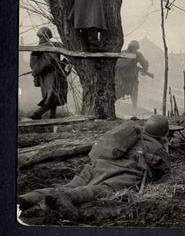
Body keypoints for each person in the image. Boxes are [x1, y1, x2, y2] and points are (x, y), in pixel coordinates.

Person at [17, 115, 171, 219]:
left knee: (70, 185)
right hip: (121, 173)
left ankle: (28, 198)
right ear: (163, 132)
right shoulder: (155, 146)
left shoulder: (129, 134)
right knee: (98, 190)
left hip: (96, 165)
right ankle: (68, 198)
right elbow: (164, 171)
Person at [28, 27, 70, 120]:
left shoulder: (53, 45)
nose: (41, 39)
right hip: (49, 76)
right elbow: (35, 65)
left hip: (51, 75)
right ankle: (37, 114)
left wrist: (65, 63)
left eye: (41, 37)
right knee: (51, 97)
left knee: (52, 97)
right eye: (40, 37)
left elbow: (35, 66)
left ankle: (51, 117)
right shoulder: (39, 48)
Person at [115, 40, 152, 111]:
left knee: (116, 95)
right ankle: (134, 111)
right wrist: (145, 70)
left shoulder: (122, 53)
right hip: (131, 80)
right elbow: (145, 63)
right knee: (134, 96)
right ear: (135, 48)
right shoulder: (137, 55)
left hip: (120, 80)